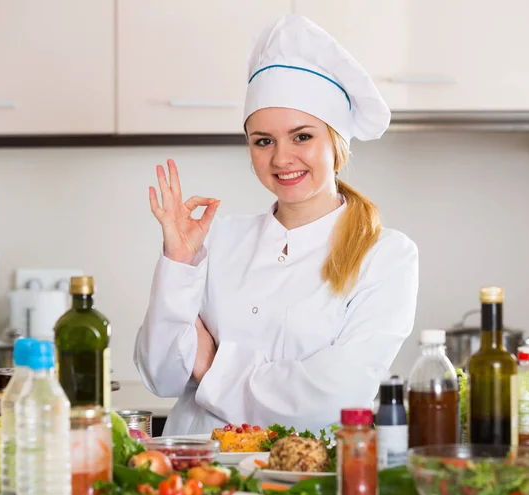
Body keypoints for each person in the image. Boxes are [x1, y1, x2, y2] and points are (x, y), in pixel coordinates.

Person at [134, 14, 419, 436]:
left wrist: (212, 366)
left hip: (302, 480)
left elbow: (332, 399)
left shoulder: (386, 256)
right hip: (195, 475)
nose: (281, 159)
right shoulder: (217, 238)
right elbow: (161, 376)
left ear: (336, 144)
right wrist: (178, 262)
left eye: (302, 136)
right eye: (263, 141)